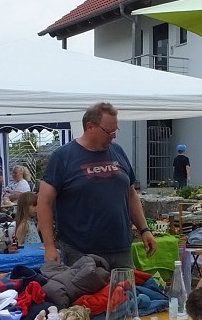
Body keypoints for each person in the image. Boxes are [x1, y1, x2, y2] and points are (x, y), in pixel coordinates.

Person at [37, 102, 157, 270]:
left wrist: (144, 229)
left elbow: (130, 195)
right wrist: (49, 246)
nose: (113, 135)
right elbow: (44, 203)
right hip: (81, 252)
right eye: (109, 131)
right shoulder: (63, 157)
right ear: (90, 126)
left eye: (116, 130)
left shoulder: (118, 152)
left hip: (121, 248)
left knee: (125, 295)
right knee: (87, 297)